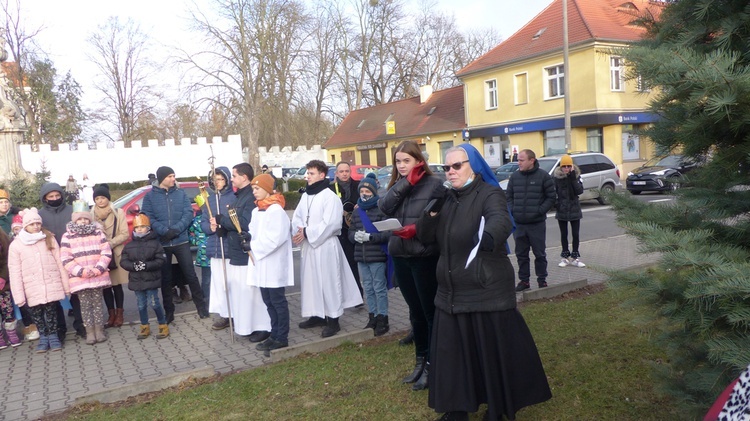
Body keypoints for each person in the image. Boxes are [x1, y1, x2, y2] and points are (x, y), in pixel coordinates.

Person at [417, 144, 552, 420]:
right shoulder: (446, 199)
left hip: (484, 288)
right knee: (454, 357)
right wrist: (431, 213)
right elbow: (425, 236)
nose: (451, 172)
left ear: (473, 167)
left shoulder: (489, 193)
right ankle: (456, 409)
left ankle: (498, 407)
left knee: (490, 356)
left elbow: (500, 219)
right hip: (451, 292)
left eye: (457, 166)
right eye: (447, 167)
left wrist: (490, 236)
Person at [378, 140, 445, 391]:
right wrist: (407, 183)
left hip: (424, 255)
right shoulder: (398, 185)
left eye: (407, 160)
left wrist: (416, 230)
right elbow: (383, 208)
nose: (402, 165)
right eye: (398, 161)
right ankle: (419, 361)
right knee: (415, 312)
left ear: (419, 161)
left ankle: (432, 364)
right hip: (401, 256)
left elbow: (438, 220)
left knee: (429, 313)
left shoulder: (434, 184)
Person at [292, 160, 362, 338]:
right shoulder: (306, 196)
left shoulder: (329, 196)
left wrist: (307, 232)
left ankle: (333, 320)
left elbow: (332, 223)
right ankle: (317, 314)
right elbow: (298, 217)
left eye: (312, 173)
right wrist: (300, 231)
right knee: (311, 281)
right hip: (309, 246)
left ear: (322, 175)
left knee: (329, 282)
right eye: (307, 173)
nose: (308, 176)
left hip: (325, 245)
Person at [211, 163, 271, 341]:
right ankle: (249, 325)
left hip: (246, 252)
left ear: (244, 177)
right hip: (235, 251)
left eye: (234, 176)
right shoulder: (238, 196)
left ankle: (263, 326)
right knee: (242, 293)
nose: (231, 179)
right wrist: (223, 228)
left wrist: (224, 221)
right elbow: (234, 222)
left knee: (252, 292)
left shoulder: (249, 198)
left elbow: (244, 223)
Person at [141, 166, 209, 323]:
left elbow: (188, 213)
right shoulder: (150, 197)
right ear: (162, 178)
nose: (173, 179)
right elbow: (147, 216)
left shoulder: (180, 193)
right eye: (170, 176)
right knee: (166, 279)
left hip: (181, 240)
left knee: (190, 275)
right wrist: (164, 231)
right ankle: (169, 312)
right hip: (162, 242)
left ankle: (201, 308)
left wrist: (177, 229)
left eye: (174, 176)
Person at [8, 208, 70, 352]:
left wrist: (66, 285)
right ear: (25, 226)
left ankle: (53, 336)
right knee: (36, 313)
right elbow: (15, 271)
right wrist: (18, 295)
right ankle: (44, 336)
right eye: (32, 224)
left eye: (38, 223)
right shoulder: (16, 245)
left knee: (51, 311)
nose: (36, 226)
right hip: (31, 286)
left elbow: (59, 262)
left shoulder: (48, 238)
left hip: (50, 283)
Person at [247, 174, 293, 354]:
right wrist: (247, 238)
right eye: (253, 189)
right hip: (261, 264)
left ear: (267, 189)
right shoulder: (256, 210)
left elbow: (276, 239)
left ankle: (282, 337)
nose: (254, 192)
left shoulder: (276, 211)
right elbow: (252, 231)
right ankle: (274, 334)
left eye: (257, 189)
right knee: (268, 301)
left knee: (277, 301)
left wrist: (253, 245)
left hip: (273, 264)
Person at [60, 200, 113, 345]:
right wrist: (81, 271)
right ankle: (89, 331)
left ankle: (99, 330)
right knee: (85, 306)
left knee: (97, 303)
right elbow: (65, 258)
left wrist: (98, 269)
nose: (83, 221)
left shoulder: (98, 233)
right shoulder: (67, 236)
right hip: (80, 278)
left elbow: (106, 252)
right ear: (74, 220)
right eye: (79, 219)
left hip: (98, 276)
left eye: (85, 218)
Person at [38, 182, 84, 340]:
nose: (55, 198)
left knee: (77, 294)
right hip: (52, 260)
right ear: (45, 198)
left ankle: (81, 325)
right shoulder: (40, 215)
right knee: (56, 296)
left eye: (57, 195)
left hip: (74, 257)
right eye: (51, 196)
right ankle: (60, 329)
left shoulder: (72, 210)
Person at [506, 149, 556, 292]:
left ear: (531, 161)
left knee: (539, 254)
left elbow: (551, 197)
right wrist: (514, 210)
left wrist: (539, 211)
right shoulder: (515, 177)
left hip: (537, 224)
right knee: (521, 254)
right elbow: (508, 196)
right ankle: (524, 281)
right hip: (519, 224)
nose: (518, 162)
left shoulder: (543, 176)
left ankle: (542, 280)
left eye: (521, 160)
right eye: (518, 159)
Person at [348, 172, 391, 336]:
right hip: (361, 256)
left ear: (373, 192)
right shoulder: (357, 211)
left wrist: (371, 237)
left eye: (367, 192)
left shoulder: (381, 209)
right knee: (368, 288)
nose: (364, 194)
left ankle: (383, 318)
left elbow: (388, 233)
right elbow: (351, 232)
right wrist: (355, 237)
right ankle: (372, 317)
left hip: (377, 256)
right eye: (362, 192)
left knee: (379, 288)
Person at [119, 214, 169, 340]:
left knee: (154, 303)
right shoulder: (129, 246)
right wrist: (134, 266)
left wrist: (146, 265)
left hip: (151, 279)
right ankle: (144, 326)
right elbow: (123, 261)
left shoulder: (155, 244)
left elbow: (161, 260)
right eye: (137, 227)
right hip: (137, 281)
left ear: (148, 228)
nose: (139, 229)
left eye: (142, 227)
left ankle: (162, 324)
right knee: (141, 304)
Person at [200, 166, 236, 330]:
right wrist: (211, 227)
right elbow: (203, 223)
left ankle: (236, 313)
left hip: (229, 247)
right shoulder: (208, 200)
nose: (217, 182)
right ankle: (225, 315)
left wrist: (223, 224)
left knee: (231, 284)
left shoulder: (233, 198)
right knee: (219, 284)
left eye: (221, 179)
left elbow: (236, 222)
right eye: (215, 180)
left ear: (227, 180)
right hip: (214, 247)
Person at [90, 184, 129, 328]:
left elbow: (124, 233)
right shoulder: (90, 215)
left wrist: (110, 244)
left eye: (103, 197)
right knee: (105, 287)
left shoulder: (118, 212)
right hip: (99, 256)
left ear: (108, 198)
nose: (100, 201)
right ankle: (110, 314)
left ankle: (119, 314)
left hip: (115, 253)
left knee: (117, 286)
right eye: (97, 198)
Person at [330, 161, 363, 299]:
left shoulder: (358, 186)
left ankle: (357, 295)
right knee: (337, 265)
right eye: (341, 171)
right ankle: (340, 295)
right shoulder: (331, 189)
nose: (344, 174)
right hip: (338, 230)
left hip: (354, 228)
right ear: (336, 173)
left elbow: (367, 199)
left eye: (347, 171)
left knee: (352, 263)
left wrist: (360, 205)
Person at [553, 155, 586, 268]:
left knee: (575, 234)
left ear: (572, 166)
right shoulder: (557, 178)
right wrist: (557, 204)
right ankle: (565, 257)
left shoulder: (576, 177)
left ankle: (575, 257)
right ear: (561, 167)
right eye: (564, 166)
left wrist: (572, 178)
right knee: (564, 234)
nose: (566, 168)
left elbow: (579, 191)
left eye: (568, 166)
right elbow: (553, 193)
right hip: (562, 209)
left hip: (574, 209)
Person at [0, 228, 22, 349]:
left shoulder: (3, 239)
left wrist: (2, 278)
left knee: (7, 310)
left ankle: (12, 333)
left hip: (3, 285)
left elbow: (7, 261)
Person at [189, 196, 210, 303]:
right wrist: (196, 241)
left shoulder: (214, 218)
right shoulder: (197, 221)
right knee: (206, 279)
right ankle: (206, 299)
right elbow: (188, 232)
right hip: (204, 255)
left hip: (216, 253)